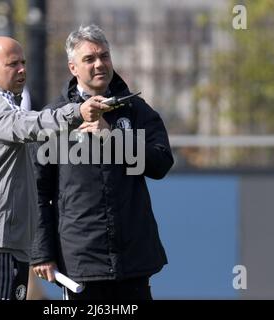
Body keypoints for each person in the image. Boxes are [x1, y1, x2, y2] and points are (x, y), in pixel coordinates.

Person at [0, 36, 109, 300]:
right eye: (12, 64)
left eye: (23, 62)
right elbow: (27, 126)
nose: (22, 69)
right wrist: (76, 113)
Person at [31, 24, 174, 300]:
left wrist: (113, 138)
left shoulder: (135, 109)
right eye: (89, 59)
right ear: (73, 67)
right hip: (81, 262)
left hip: (133, 259)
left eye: (104, 56)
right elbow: (38, 192)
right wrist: (42, 252)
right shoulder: (54, 118)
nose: (99, 64)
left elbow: (161, 164)